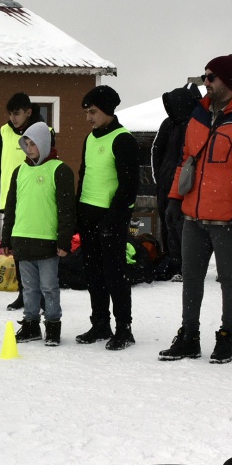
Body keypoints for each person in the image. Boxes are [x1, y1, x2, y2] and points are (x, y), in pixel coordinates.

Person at [160, 54, 232, 364]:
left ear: (230, 81)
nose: (206, 83)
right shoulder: (198, 114)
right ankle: (189, 337)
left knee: (229, 279)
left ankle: (226, 337)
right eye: (205, 76)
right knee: (191, 278)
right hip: (193, 216)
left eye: (211, 77)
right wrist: (174, 199)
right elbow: (186, 159)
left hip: (228, 218)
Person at [75, 85, 140, 350]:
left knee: (115, 274)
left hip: (111, 217)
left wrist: (113, 219)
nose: (88, 117)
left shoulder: (123, 139)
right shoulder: (90, 138)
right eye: (87, 112)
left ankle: (124, 328)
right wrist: (79, 210)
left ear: (108, 111)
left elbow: (129, 186)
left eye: (93, 112)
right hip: (88, 214)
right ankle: (100, 323)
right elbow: (84, 174)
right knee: (93, 273)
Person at [0, 121, 75, 346]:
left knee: (49, 288)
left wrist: (64, 240)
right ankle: (31, 325)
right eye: (27, 143)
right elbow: (11, 206)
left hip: (48, 243)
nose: (29, 148)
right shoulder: (19, 171)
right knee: (29, 288)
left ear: (43, 143)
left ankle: (52, 326)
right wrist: (6, 237)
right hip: (22, 240)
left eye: (33, 143)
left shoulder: (60, 170)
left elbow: (66, 210)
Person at [0, 92, 45, 309]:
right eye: (10, 114)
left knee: (39, 250)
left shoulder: (43, 132)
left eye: (17, 114)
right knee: (17, 251)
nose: (12, 118)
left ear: (28, 112)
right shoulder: (4, 131)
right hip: (10, 201)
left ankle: (39, 295)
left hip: (34, 199)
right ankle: (24, 293)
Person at [151, 81, 202, 279]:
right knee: (166, 223)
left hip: (183, 186)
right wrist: (160, 176)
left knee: (180, 226)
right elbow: (156, 150)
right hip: (165, 184)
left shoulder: (195, 125)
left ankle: (183, 264)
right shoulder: (168, 123)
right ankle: (172, 261)